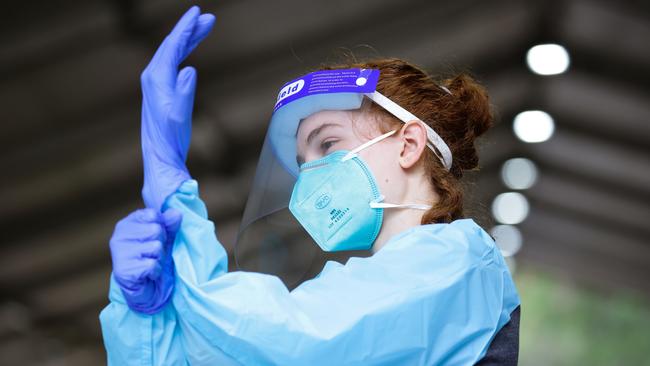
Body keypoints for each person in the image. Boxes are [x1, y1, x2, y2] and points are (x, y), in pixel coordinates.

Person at [100, 6, 520, 365]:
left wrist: (175, 207)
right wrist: (146, 314)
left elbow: (282, 344)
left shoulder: (456, 263)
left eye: (328, 144)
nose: (311, 176)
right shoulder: (371, 288)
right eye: (303, 162)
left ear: (408, 144)